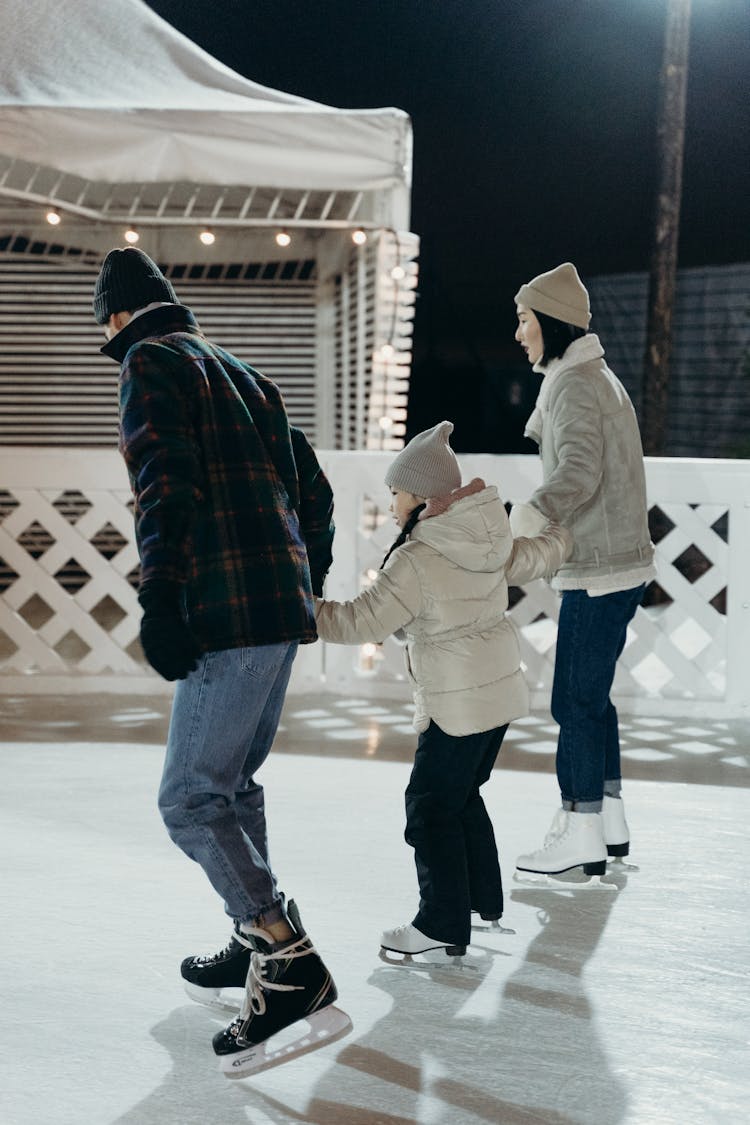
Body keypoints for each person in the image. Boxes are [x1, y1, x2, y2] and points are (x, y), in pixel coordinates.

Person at [93, 247, 350, 1078]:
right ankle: (252, 942)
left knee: (190, 796)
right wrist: (299, 577)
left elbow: (164, 482)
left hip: (222, 611)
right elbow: (314, 492)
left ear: (120, 318)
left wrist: (160, 595)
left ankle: (287, 955)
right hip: (277, 612)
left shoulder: (148, 362)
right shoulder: (247, 375)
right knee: (232, 784)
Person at [314, 421, 571, 957]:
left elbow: (362, 621)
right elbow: (533, 557)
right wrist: (565, 536)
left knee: (429, 807)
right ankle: (479, 902)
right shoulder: (485, 534)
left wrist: (299, 610)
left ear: (422, 497)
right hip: (495, 696)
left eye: (395, 493)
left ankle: (440, 924)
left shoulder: (418, 557)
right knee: (460, 797)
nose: (390, 506)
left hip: (456, 703)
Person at [510, 262, 656, 880]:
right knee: (592, 699)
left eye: (523, 320)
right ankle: (609, 819)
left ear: (550, 321)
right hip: (620, 562)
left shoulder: (573, 386)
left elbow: (578, 472)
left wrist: (530, 514)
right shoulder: (595, 376)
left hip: (598, 566)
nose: (519, 334)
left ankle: (581, 830)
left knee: (572, 701)